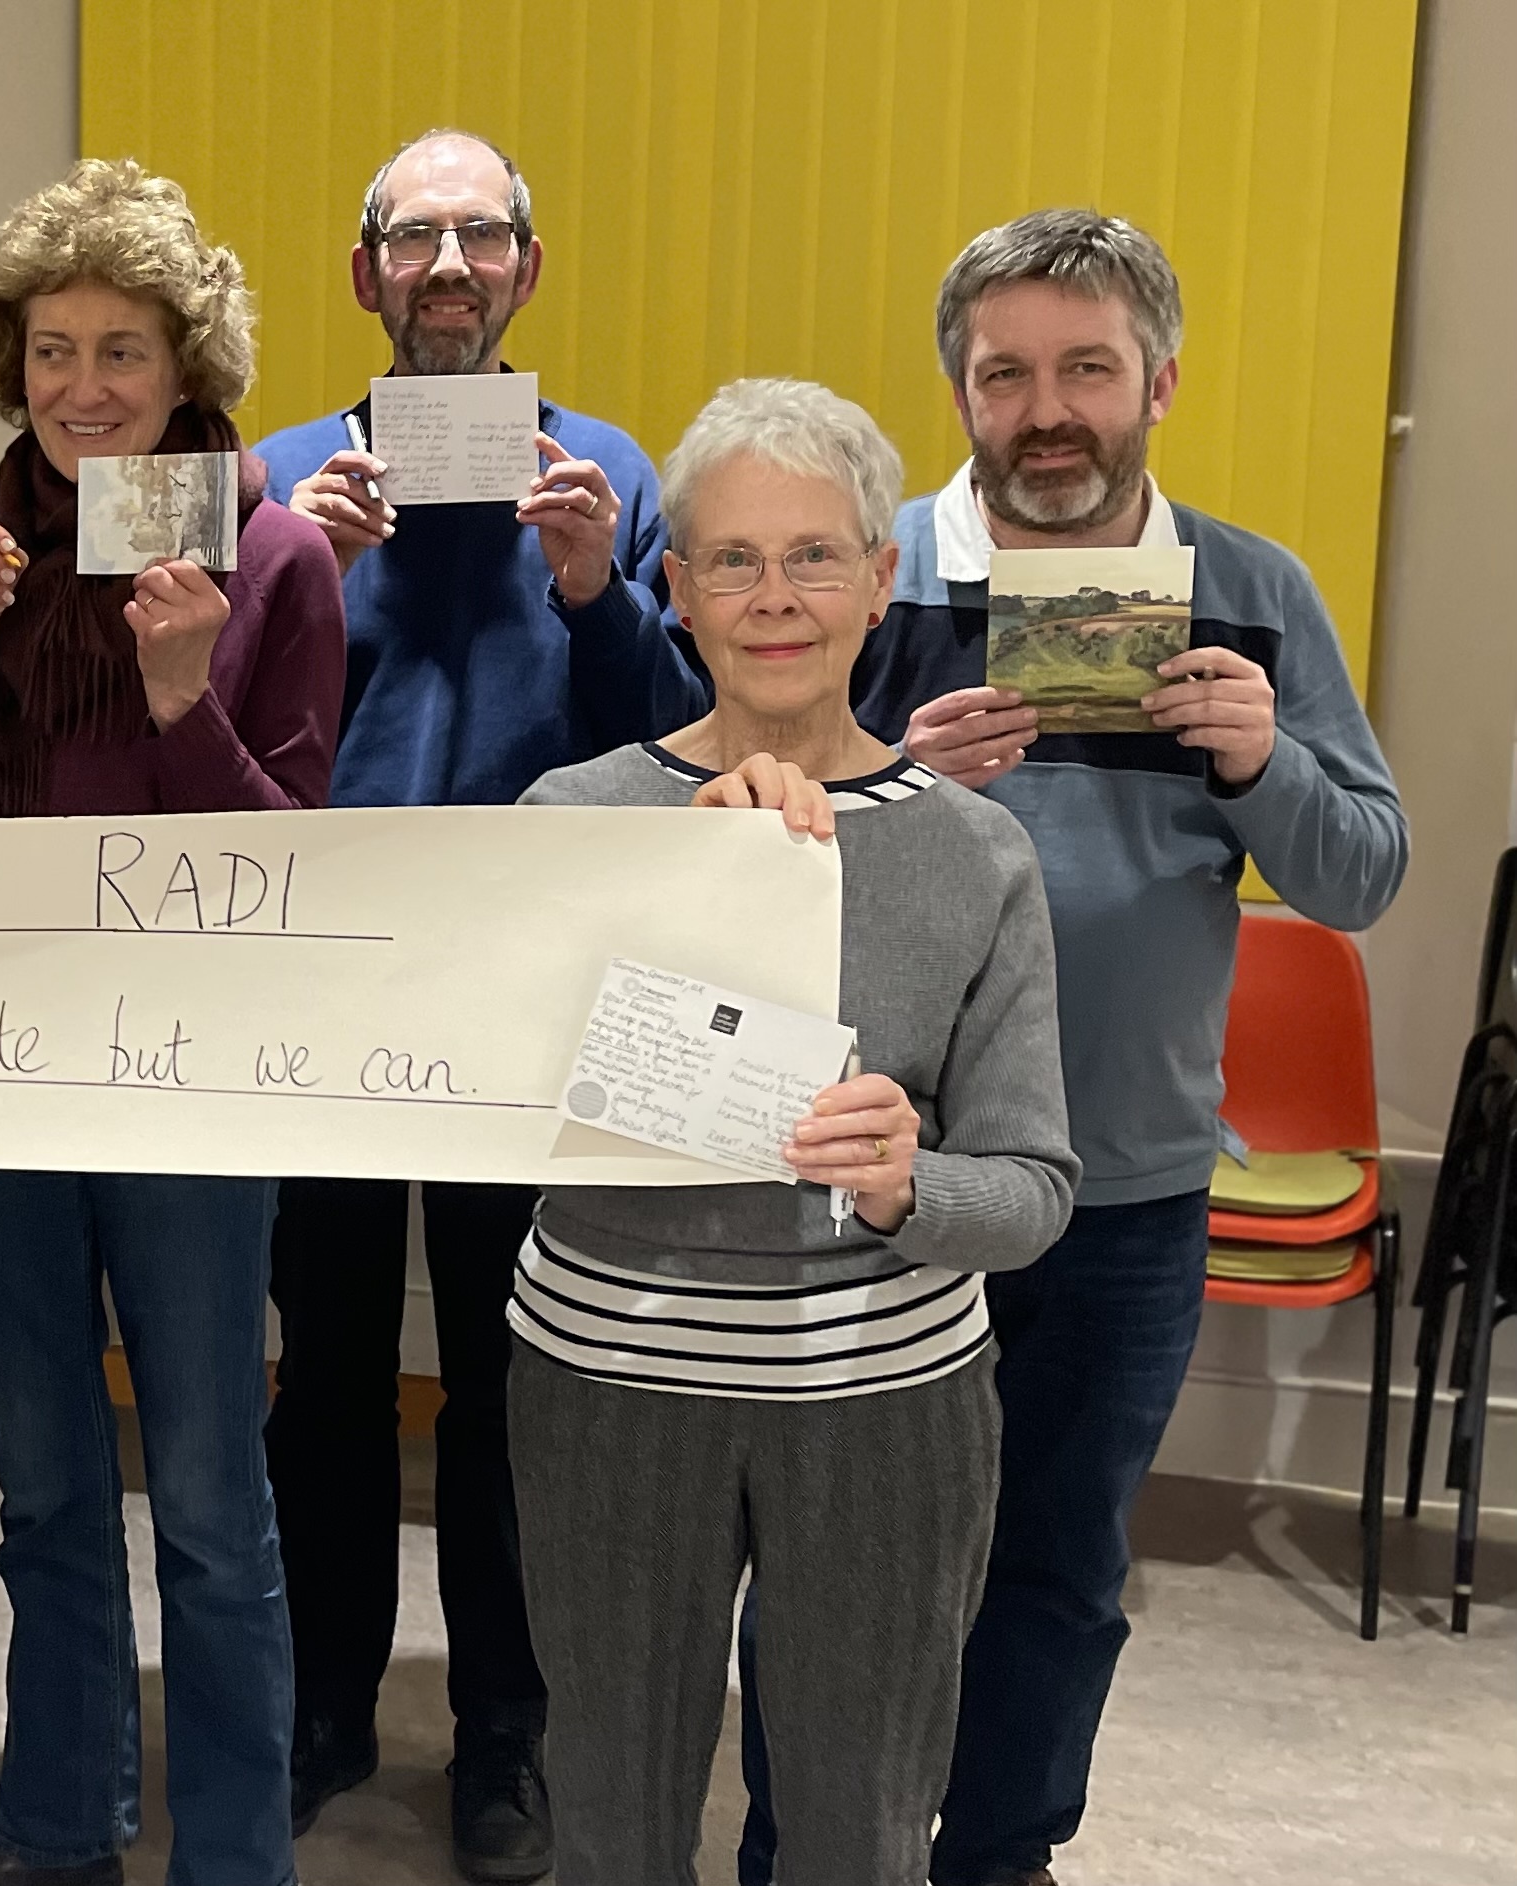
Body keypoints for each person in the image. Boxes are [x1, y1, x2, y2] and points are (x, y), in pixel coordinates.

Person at [728, 211, 1409, 1886]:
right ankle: (807, 1851)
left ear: (1155, 383)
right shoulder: (864, 572)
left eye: (1085, 370)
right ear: (958, 390)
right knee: (829, 1564)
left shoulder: (1252, 591)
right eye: (1004, 374)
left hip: (1124, 1186)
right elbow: (722, 863)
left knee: (1054, 1567)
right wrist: (893, 784)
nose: (1045, 412)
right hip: (879, 1181)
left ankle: (999, 1855)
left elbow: (1361, 873)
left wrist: (1262, 765)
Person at [514, 376, 1079, 1884]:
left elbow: (1032, 1188)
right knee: (611, 1822)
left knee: (862, 1827)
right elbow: (501, 1106)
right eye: (734, 561)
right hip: (610, 1381)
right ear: (676, 589)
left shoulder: (977, 854)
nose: (775, 598)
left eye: (815, 555)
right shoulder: (569, 819)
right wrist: (671, 896)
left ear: (880, 579)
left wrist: (911, 1182)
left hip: (884, 1400)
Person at [0, 157, 348, 1886]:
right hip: (2, 1070)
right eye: (52, 351)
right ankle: (56, 1825)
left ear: (185, 367)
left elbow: (284, 867)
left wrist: (174, 698)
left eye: (122, 351)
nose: (83, 388)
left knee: (214, 1508)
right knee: (42, 1489)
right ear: (10, 365)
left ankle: (233, 1856)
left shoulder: (275, 556)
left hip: (189, 1087)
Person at [249, 126, 695, 1879]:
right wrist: (287, 573)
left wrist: (593, 593)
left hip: (535, 998)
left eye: (481, 236)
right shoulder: (277, 475)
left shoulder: (609, 474)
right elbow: (197, 727)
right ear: (363, 272)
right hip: (330, 996)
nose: (448, 267)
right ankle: (321, 1704)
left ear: (526, 267)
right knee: (327, 1373)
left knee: (521, 1387)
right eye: (414, 238)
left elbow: (667, 745)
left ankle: (507, 1727)